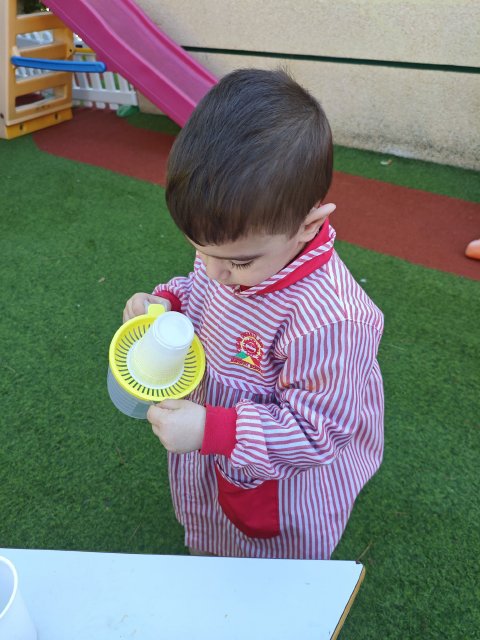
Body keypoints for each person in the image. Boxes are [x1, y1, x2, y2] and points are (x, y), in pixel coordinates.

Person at [123, 68, 384, 559]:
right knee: (216, 525)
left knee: (273, 558)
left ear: (308, 225)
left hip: (280, 472)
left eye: (239, 262)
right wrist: (168, 306)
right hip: (215, 437)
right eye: (200, 250)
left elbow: (316, 433)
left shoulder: (331, 320)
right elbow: (202, 289)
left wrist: (212, 430)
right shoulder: (229, 252)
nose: (215, 271)